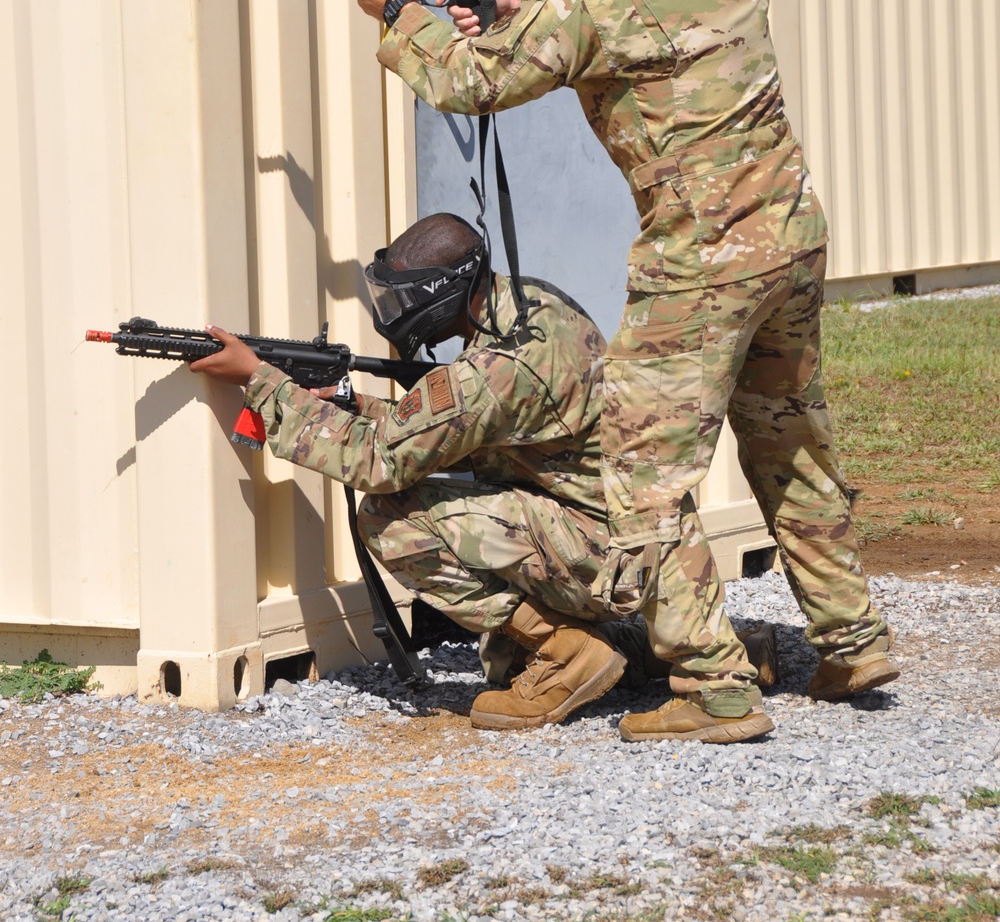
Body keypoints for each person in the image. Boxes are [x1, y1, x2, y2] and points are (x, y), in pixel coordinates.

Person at [336, 0, 897, 744]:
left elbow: (471, 85)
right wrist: (520, 14)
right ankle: (850, 635)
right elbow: (647, 46)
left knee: (641, 475)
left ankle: (714, 691)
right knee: (786, 440)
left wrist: (399, 11)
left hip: (699, 260)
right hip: (788, 235)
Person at [191, 213, 770, 732]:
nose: (395, 316)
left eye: (404, 301)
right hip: (631, 535)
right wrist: (352, 404)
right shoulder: (532, 306)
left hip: (614, 552)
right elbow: (454, 424)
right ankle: (648, 647)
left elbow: (380, 462)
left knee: (390, 517)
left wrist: (262, 381)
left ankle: (567, 651)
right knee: (497, 654)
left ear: (444, 294)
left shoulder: (494, 369)